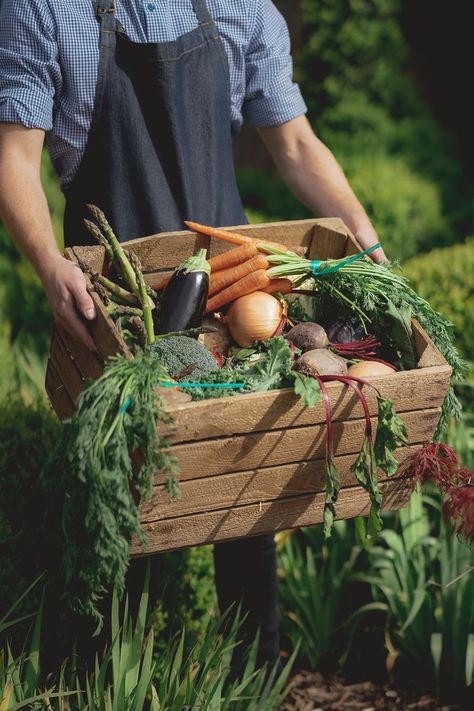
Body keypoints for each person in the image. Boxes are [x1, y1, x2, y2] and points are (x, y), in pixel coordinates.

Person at [0, 0, 385, 673]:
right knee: (115, 513)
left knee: (247, 507)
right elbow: (13, 156)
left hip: (235, 309)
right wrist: (46, 264)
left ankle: (252, 683)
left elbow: (294, 143)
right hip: (116, 311)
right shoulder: (44, 7)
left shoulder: (242, 9)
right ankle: (109, 680)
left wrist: (367, 241)